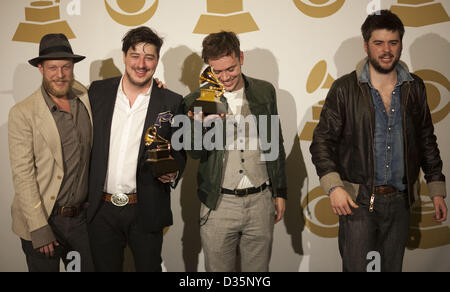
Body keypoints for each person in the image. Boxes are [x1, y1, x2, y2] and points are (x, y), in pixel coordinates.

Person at [310, 10, 447, 272]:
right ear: (366, 45)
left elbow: (426, 140)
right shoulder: (344, 88)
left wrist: (436, 189)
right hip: (357, 202)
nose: (387, 50)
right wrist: (333, 186)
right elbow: (322, 142)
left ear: (401, 44)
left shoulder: (415, 87)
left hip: (400, 202)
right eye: (379, 43)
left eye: (393, 42)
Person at [183, 31, 287, 272]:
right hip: (219, 202)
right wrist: (200, 126)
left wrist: (280, 190)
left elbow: (275, 143)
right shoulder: (196, 99)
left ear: (240, 57)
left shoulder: (264, 91)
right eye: (217, 71)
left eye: (230, 68)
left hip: (261, 199)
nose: (225, 77)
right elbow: (196, 153)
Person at [87, 26, 186, 272]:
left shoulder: (172, 101)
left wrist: (173, 172)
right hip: (101, 210)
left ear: (157, 61)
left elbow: (180, 152)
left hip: (147, 208)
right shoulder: (97, 92)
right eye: (135, 56)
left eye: (149, 57)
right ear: (124, 57)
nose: (141, 64)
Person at [8, 33, 94, 272]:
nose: (60, 74)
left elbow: (120, 92)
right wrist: (39, 227)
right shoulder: (22, 113)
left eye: (66, 67)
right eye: (52, 68)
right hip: (44, 219)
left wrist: (154, 87)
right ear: (40, 69)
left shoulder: (86, 97)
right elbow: (23, 175)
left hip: (80, 221)